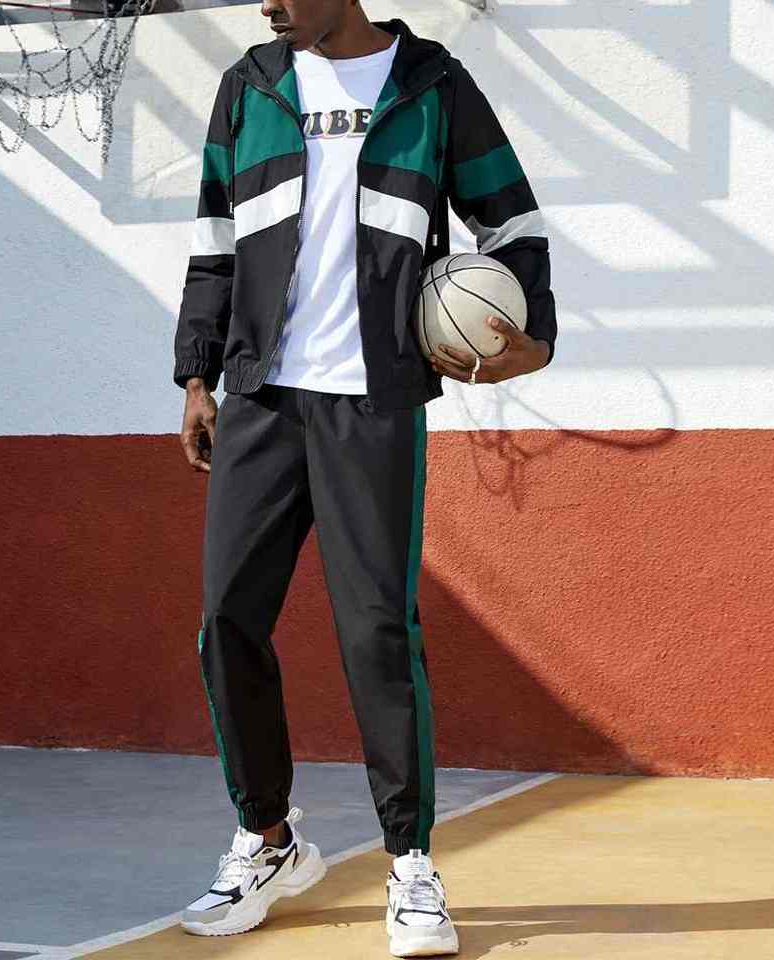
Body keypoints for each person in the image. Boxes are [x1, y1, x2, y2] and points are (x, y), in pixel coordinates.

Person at [172, 1, 557, 955]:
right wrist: (197, 373)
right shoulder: (250, 88)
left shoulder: (432, 86)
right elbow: (215, 240)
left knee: (377, 629)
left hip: (373, 402)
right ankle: (267, 840)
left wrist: (535, 335)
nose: (266, 5)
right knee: (226, 620)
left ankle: (410, 862)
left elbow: (512, 221)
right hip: (262, 396)